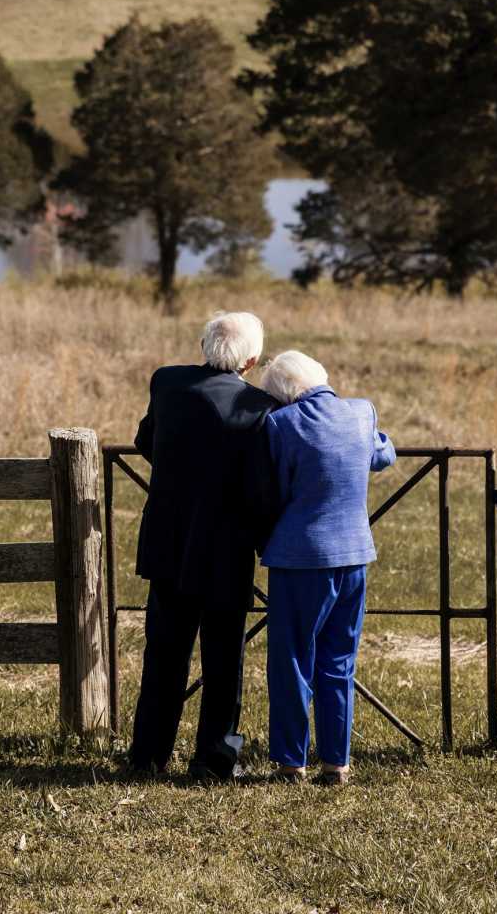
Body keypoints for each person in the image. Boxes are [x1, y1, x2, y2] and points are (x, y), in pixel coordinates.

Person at [127, 311, 278, 781]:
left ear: (202, 344)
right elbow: (261, 484)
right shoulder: (259, 407)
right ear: (252, 360)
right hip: (226, 550)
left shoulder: (167, 383)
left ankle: (148, 757)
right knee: (224, 661)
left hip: (168, 541)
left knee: (163, 656)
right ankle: (215, 760)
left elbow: (144, 440)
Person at [256, 350, 395, 786]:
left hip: (300, 558)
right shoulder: (361, 412)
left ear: (281, 396)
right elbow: (383, 455)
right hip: (354, 554)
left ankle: (290, 761)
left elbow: (274, 486)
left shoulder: (280, 425)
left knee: (293, 659)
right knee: (339, 659)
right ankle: (337, 762)